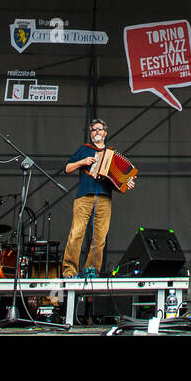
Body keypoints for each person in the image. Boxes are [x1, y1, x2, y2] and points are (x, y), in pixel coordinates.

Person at [62, 119, 121, 277]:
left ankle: (92, 270)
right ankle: (69, 271)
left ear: (105, 133)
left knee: (100, 238)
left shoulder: (112, 154)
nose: (96, 132)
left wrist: (127, 182)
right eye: (94, 130)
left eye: (99, 129)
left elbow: (119, 180)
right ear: (91, 134)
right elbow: (67, 168)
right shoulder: (84, 149)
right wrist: (82, 162)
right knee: (77, 233)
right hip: (84, 196)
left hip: (104, 198)